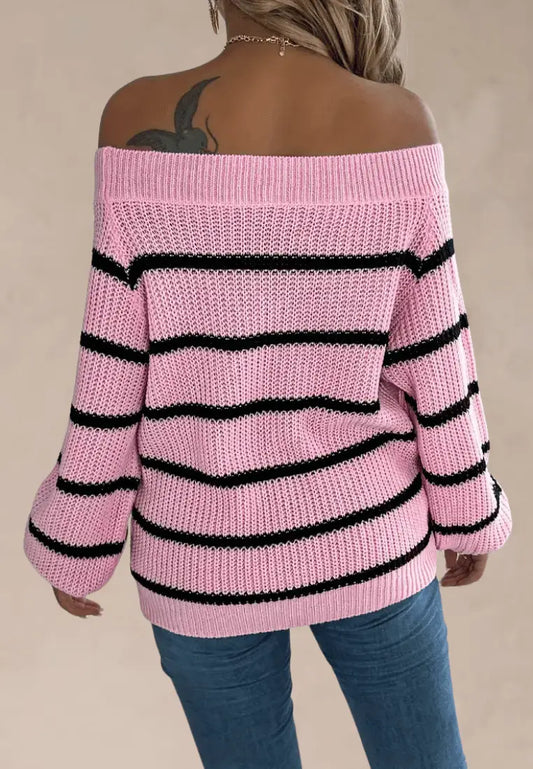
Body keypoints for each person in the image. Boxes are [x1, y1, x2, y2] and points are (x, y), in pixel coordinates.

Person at [23, 1, 513, 767]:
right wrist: (468, 511)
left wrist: (76, 539)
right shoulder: (395, 122)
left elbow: (113, 366)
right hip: (370, 538)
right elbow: (437, 360)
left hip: (198, 559)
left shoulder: (133, 116)